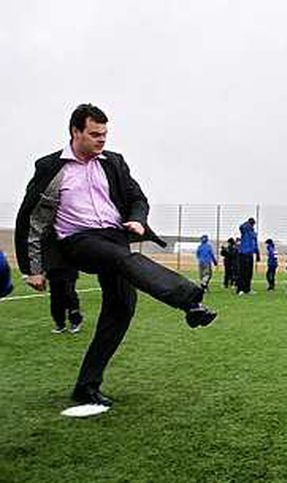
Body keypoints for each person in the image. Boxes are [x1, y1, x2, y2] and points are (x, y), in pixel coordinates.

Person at [15, 104, 217, 407]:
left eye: (105, 134)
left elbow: (137, 198)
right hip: (78, 240)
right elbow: (31, 219)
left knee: (120, 309)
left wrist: (137, 218)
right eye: (95, 134)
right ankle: (190, 299)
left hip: (115, 237)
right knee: (122, 260)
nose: (101, 140)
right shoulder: (50, 168)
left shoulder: (114, 162)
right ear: (75, 132)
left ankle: (86, 386)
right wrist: (33, 268)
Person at [47, 266, 84, 334]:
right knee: (55, 297)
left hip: (69, 269)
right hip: (53, 271)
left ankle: (75, 321)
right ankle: (60, 323)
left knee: (69, 294)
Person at [236, 218, 260, 295]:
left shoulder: (253, 234)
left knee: (249, 273)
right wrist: (247, 223)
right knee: (242, 272)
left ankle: (247, 289)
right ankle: (240, 289)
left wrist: (257, 253)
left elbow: (255, 244)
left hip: (250, 255)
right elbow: (241, 227)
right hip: (243, 254)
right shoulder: (245, 231)